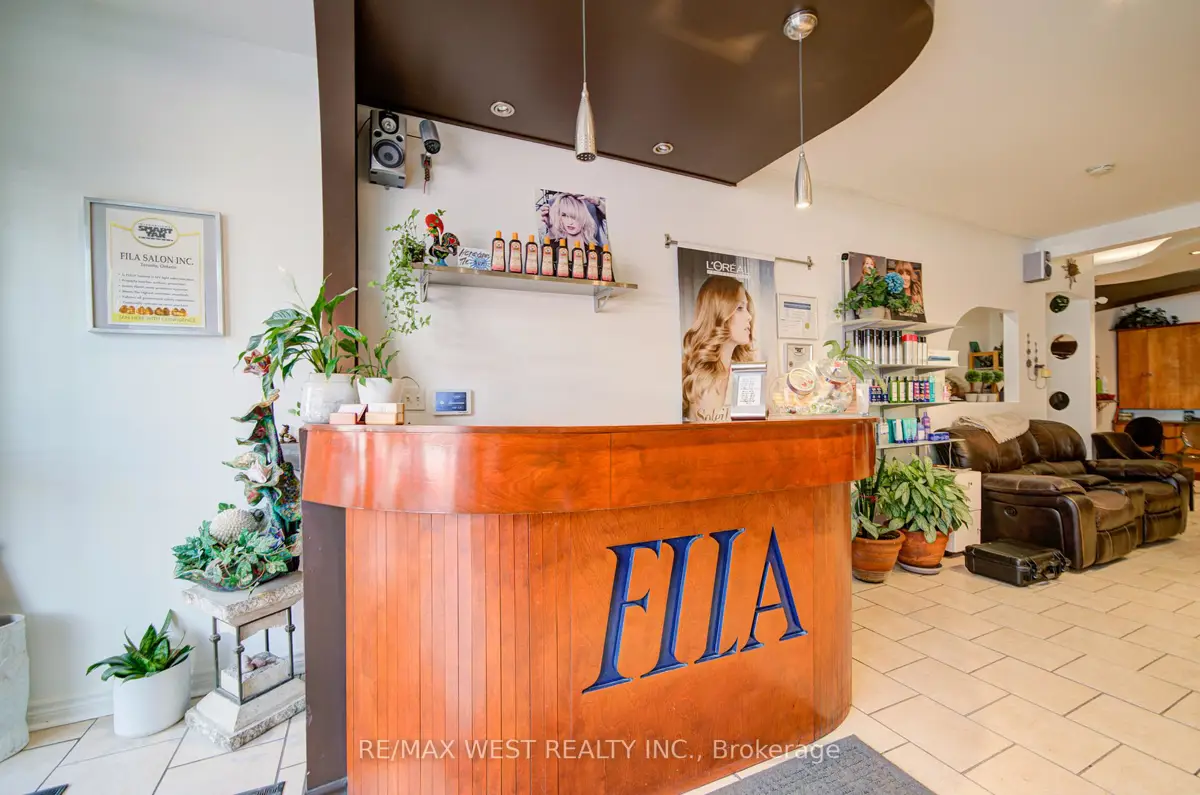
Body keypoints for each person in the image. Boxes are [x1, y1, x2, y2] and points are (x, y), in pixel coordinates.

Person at [681, 275, 758, 421]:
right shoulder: (702, 379)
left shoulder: (744, 373)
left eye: (747, 308)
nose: (749, 316)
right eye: (740, 308)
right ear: (719, 313)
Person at [539, 192, 603, 249]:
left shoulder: (597, 251)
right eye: (564, 215)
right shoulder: (551, 248)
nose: (570, 222)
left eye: (574, 217)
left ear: (583, 218)